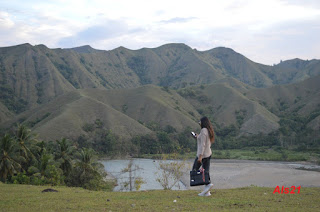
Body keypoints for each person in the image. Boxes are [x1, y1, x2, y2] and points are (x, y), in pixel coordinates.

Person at [192, 116, 215, 196]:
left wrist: (200, 156)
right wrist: (197, 137)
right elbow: (204, 140)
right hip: (208, 154)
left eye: (200, 122)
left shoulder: (204, 130)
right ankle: (207, 191)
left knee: (195, 169)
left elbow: (203, 145)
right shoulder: (207, 130)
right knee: (205, 172)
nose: (199, 123)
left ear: (203, 122)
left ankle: (208, 184)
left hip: (203, 155)